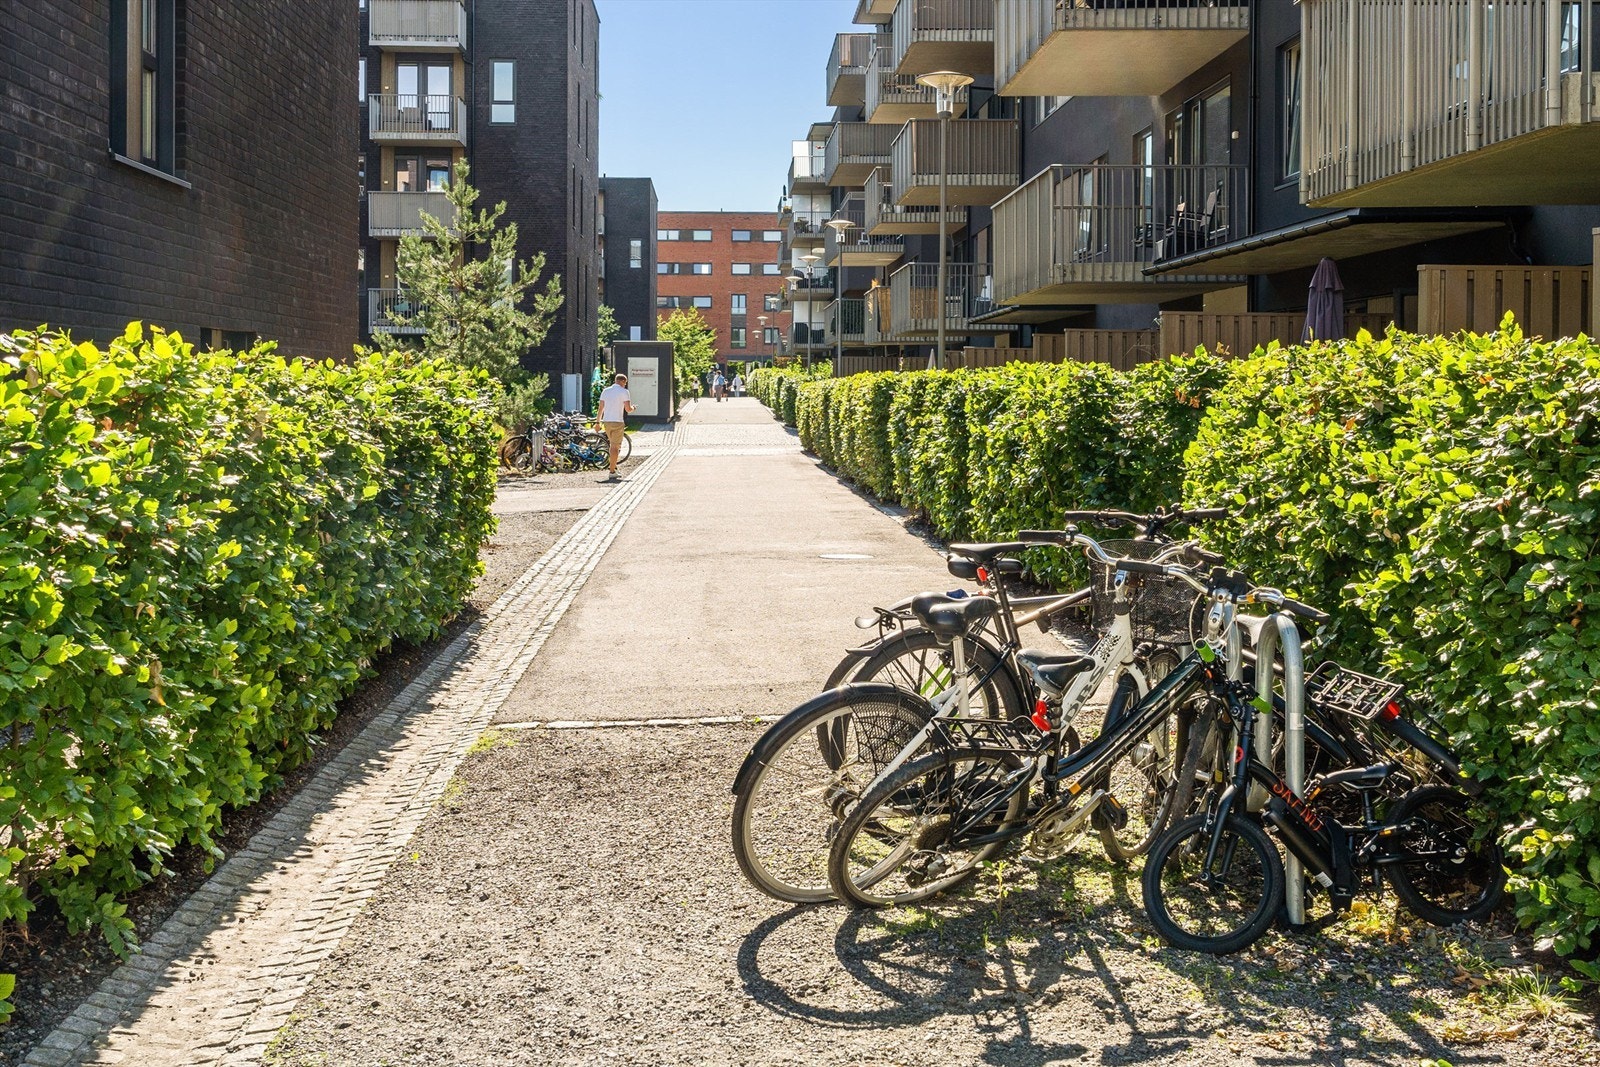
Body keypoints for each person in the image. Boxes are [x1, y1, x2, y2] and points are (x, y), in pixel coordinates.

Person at [596, 372, 634, 481]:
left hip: (606, 421)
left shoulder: (605, 391)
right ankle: (612, 471)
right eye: (625, 383)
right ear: (623, 381)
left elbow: (600, 408)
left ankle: (614, 467)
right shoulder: (624, 392)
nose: (625, 385)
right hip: (617, 421)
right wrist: (633, 408)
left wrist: (597, 422)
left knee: (613, 445)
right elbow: (628, 409)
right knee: (615, 447)